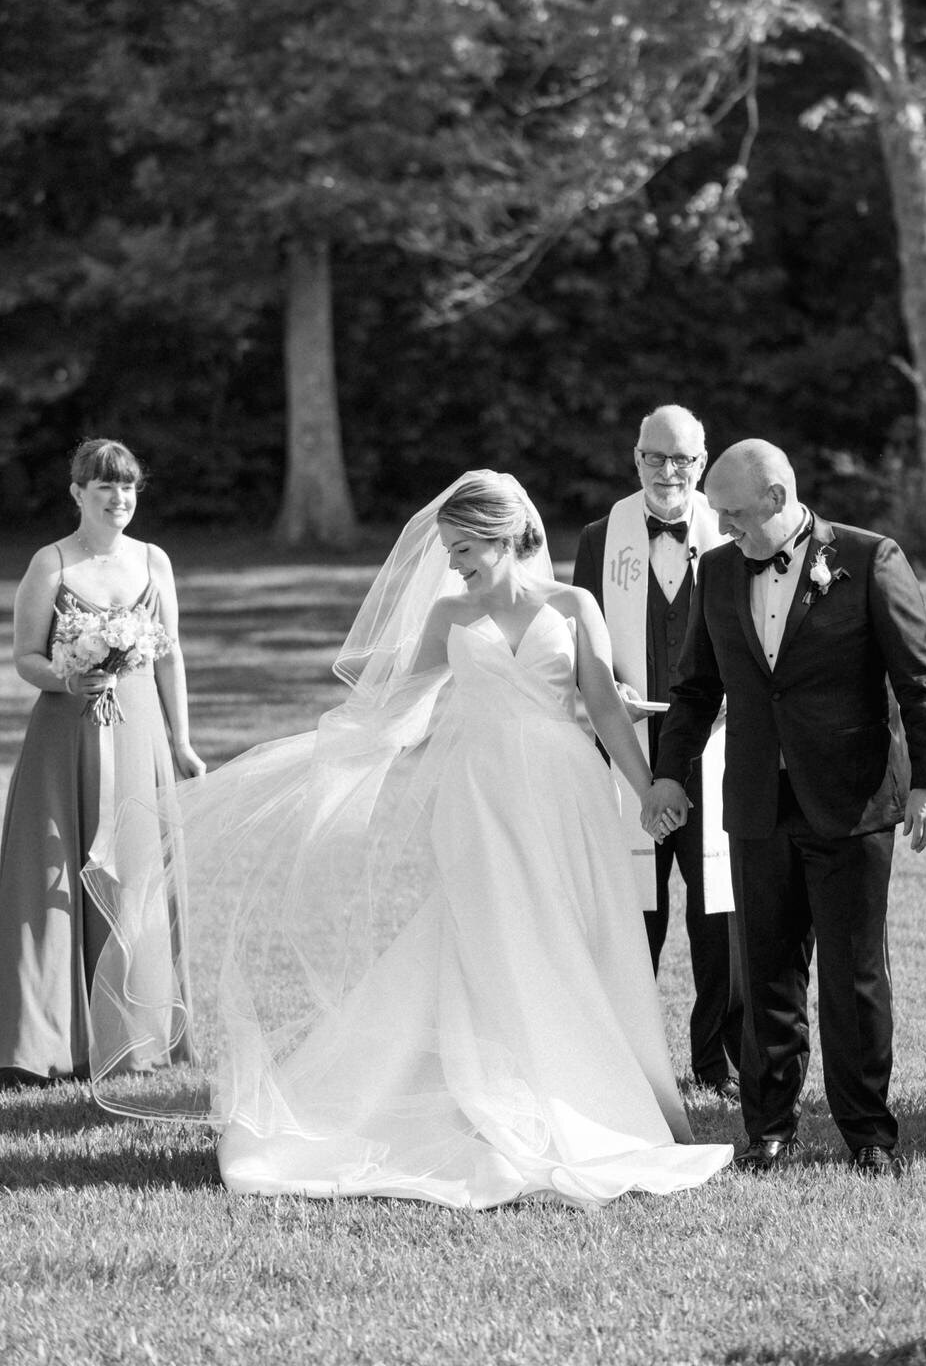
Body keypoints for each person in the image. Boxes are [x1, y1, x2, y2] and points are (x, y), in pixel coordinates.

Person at [110, 471, 731, 1206]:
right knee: (493, 934)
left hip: (568, 793)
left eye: (465, 548)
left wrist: (650, 786)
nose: (455, 563)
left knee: (571, 935)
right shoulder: (447, 616)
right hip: (480, 793)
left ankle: (584, 1094)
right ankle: (499, 1101)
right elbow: (392, 696)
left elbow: (600, 702)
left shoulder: (572, 605)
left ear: (505, 539)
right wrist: (339, 746)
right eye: (449, 549)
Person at [643, 439, 926, 1177]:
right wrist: (669, 777)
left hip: (850, 802)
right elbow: (694, 689)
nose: (721, 527)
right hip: (756, 801)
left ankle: (869, 1137)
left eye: (735, 514)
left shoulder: (870, 559)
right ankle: (770, 1130)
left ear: (780, 501)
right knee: (766, 973)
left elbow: (921, 681)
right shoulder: (717, 570)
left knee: (853, 977)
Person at [0, 437, 204, 1085]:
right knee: (52, 877)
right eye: (105, 488)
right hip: (65, 741)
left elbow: (169, 654)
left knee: (138, 875)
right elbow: (25, 657)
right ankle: (48, 1044)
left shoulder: (155, 561)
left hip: (139, 735)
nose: (119, 500)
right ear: (77, 494)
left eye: (129, 488)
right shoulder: (50, 565)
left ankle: (138, 1034)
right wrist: (68, 677)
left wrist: (182, 741)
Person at [573, 405, 742, 1101]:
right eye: (654, 457)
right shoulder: (597, 537)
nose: (667, 472)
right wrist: (606, 684)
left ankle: (721, 1061)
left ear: (702, 464)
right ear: (634, 457)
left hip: (721, 745)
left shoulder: (731, 531)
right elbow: (575, 637)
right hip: (630, 753)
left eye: (682, 460)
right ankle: (626, 1055)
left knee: (720, 910)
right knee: (632, 908)